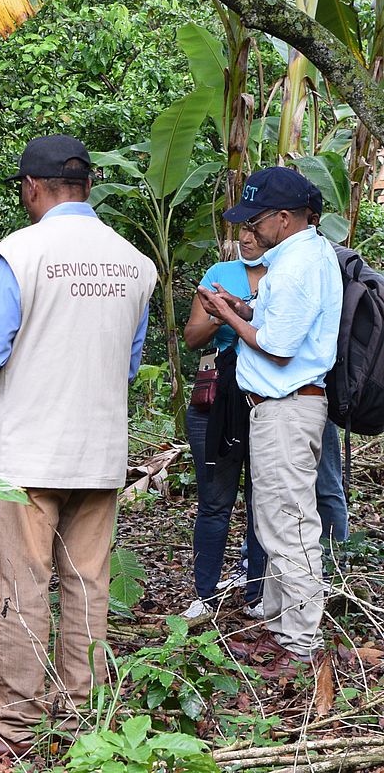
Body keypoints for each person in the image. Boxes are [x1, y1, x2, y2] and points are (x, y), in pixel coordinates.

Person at [0, 134, 155, 758]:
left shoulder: (18, 254)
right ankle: (82, 716)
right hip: (99, 450)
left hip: (29, 451)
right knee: (87, 583)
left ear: (32, 188)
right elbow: (128, 363)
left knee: (22, 586)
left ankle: (17, 720)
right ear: (88, 187)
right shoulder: (135, 263)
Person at [198, 166, 342, 679]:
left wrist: (226, 315)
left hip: (287, 406)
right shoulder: (296, 259)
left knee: (290, 526)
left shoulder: (302, 263)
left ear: (283, 218)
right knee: (278, 519)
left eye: (254, 220)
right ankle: (281, 622)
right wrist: (242, 307)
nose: (247, 231)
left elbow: (279, 348)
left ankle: (300, 643)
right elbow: (277, 322)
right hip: (280, 409)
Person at [180, 228, 268, 620]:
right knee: (215, 501)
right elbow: (192, 337)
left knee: (261, 502)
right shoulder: (220, 271)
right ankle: (204, 594)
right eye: (242, 231)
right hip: (216, 401)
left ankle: (258, 593)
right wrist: (219, 316)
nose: (246, 238)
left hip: (265, 399)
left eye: (255, 230)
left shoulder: (287, 272)